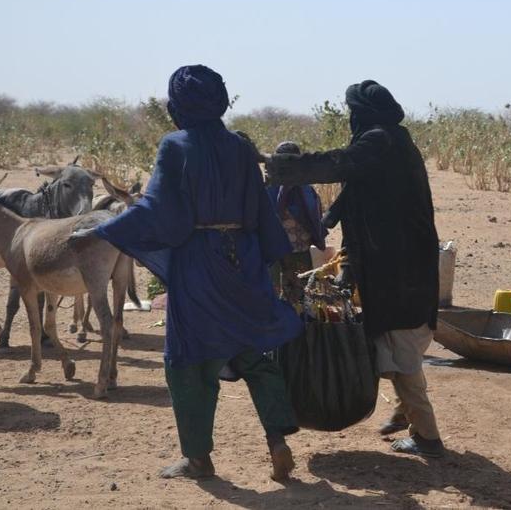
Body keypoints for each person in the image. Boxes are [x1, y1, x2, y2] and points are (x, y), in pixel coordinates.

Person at [83, 65, 302, 482]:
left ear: (177, 106)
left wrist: (103, 229)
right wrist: (273, 265)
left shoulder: (175, 146)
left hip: (198, 265)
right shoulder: (240, 147)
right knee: (253, 351)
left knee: (189, 362)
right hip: (244, 261)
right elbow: (261, 209)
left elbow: (156, 211)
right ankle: (277, 439)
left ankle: (198, 459)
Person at [266, 80, 444, 458]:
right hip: (397, 266)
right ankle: (405, 412)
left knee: (401, 349)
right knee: (392, 343)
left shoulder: (380, 141)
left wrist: (284, 167)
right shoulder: (393, 143)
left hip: (401, 270)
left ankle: (427, 435)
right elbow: (358, 187)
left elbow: (340, 162)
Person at [265, 141, 328, 302]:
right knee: (296, 288)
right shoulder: (301, 187)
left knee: (292, 289)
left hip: (285, 247)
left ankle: (295, 318)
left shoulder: (274, 186)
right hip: (289, 247)